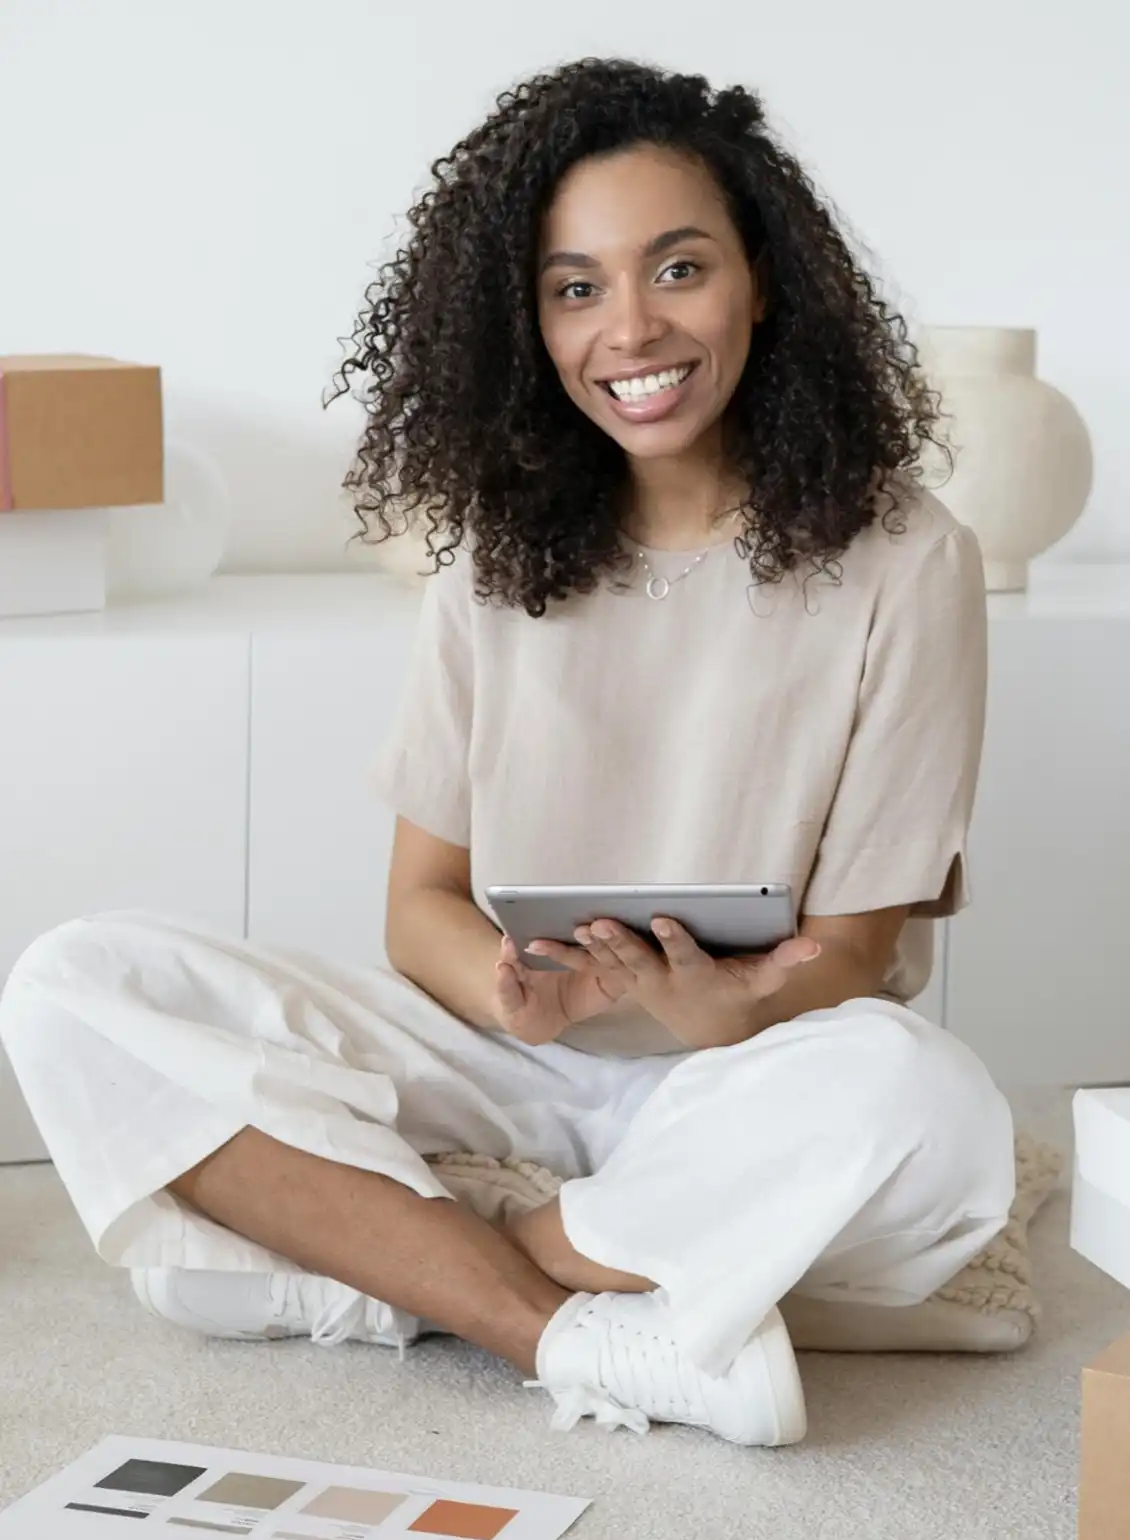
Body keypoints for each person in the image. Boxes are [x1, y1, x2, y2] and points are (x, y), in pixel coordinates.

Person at [0, 58, 1015, 1448]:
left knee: (929, 1104)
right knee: (74, 981)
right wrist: (512, 990)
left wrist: (715, 1012)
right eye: (574, 287)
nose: (629, 328)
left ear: (764, 282)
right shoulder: (496, 554)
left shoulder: (906, 558)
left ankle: (424, 1256)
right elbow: (419, 904)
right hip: (507, 1059)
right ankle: (576, 1324)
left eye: (678, 269)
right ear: (527, 322)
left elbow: (851, 954)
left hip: (748, 1071)